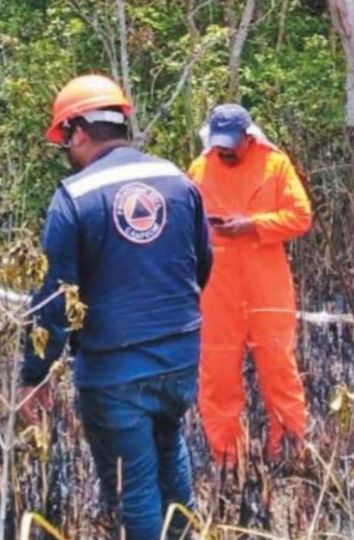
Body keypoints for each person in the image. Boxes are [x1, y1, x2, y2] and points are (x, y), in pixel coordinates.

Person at [18, 74, 212, 538]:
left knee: (135, 491)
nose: (68, 150)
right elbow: (202, 264)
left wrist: (34, 374)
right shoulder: (178, 180)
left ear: (78, 132)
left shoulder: (74, 198)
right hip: (181, 358)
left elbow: (55, 300)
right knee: (170, 456)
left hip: (114, 372)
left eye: (66, 140)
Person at [187, 104, 312, 468]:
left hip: (267, 287)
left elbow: (300, 217)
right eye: (219, 143)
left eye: (231, 144)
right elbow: (183, 224)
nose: (224, 151)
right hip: (216, 290)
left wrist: (254, 225)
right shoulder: (199, 169)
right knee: (218, 377)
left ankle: (289, 454)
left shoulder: (275, 164)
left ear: (248, 136)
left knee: (279, 372)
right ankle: (228, 462)